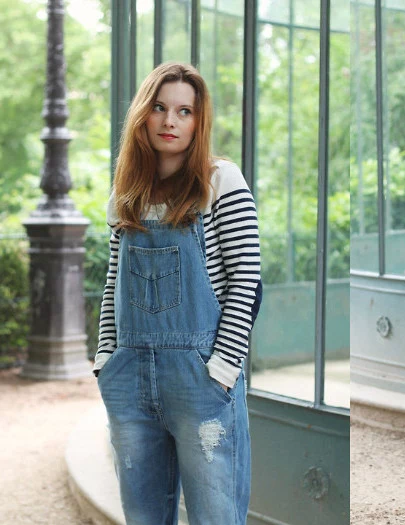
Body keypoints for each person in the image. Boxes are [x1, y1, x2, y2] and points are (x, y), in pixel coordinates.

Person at [93, 62, 262, 523]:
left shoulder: (220, 181)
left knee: (216, 516)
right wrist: (106, 360)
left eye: (185, 111)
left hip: (200, 380)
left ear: (198, 120)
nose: (171, 121)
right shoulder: (124, 195)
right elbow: (113, 285)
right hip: (129, 379)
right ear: (143, 116)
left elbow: (248, 279)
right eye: (160, 108)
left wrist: (223, 370)